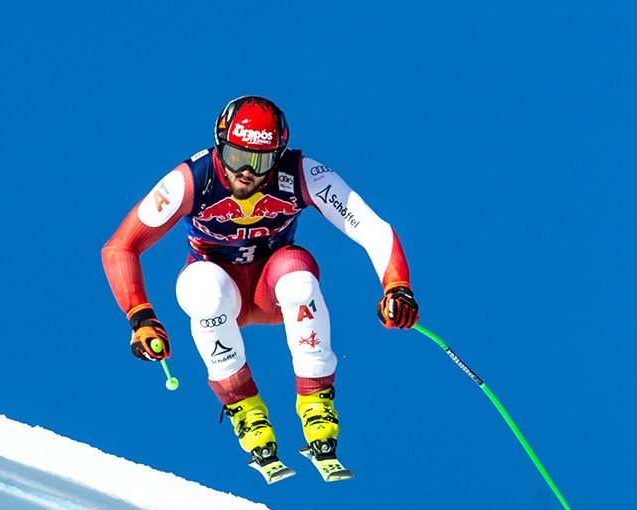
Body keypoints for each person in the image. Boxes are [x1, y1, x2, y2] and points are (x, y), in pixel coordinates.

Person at [101, 96, 419, 482]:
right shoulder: (192, 179)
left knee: (299, 279)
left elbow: (371, 227)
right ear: (220, 146)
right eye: (236, 156)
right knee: (205, 289)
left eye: (261, 161)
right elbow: (120, 246)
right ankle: (244, 409)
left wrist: (397, 286)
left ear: (278, 155)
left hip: (274, 287)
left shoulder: (301, 173)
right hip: (220, 287)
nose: (247, 172)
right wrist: (140, 317)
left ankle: (317, 403)